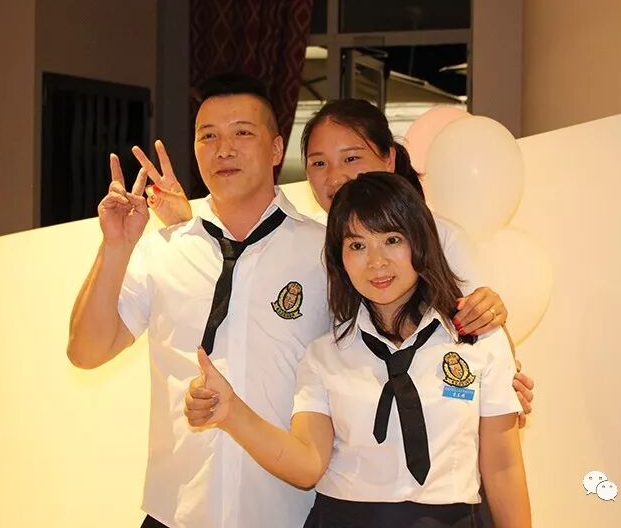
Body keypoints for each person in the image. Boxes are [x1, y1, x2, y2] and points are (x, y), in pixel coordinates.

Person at [141, 97, 534, 414]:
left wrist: (500, 378)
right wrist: (185, 226)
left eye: (351, 158)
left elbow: (482, 341)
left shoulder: (440, 237)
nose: (334, 177)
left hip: (435, 437)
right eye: (319, 163)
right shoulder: (311, 239)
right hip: (346, 439)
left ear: (388, 159)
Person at [184, 172, 532, 527]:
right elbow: (307, 465)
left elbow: (503, 466)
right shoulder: (325, 355)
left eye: (392, 240)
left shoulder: (479, 340)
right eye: (357, 246)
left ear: (420, 242)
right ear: (340, 258)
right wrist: (232, 412)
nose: (376, 262)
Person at [68, 74, 332, 527]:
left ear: (275, 149)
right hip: (176, 514)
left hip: (288, 513)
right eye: (208, 136)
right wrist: (115, 247)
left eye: (242, 133)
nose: (223, 149)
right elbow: (86, 351)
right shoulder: (164, 249)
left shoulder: (325, 252)